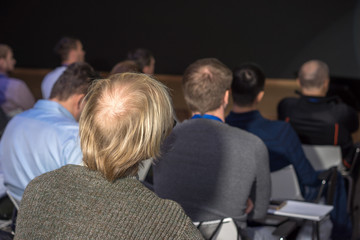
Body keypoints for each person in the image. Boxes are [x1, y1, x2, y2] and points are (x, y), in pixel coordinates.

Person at [15, 73, 203, 240]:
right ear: (151, 139)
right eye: (167, 126)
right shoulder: (166, 222)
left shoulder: (38, 189)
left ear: (86, 122)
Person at [226, 63, 352, 239]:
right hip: (285, 204)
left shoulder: (221, 131)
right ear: (260, 95)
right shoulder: (281, 132)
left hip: (237, 205)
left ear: (229, 92)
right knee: (335, 179)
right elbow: (308, 178)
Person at [153, 58, 271, 238]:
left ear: (187, 96)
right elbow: (259, 214)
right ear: (226, 96)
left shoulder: (161, 142)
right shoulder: (253, 145)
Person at [0, 62, 96, 202]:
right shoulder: (74, 136)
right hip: (54, 219)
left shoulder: (16, 122)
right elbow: (86, 197)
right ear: (81, 101)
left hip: (15, 215)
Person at [278, 60, 359, 168]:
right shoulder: (342, 112)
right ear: (326, 82)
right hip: (336, 172)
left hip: (297, 167)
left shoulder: (286, 106)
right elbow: (354, 127)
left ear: (298, 81)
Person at [0, 44, 35, 118]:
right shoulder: (16, 86)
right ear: (2, 62)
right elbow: (32, 110)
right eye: (11, 58)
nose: (14, 61)